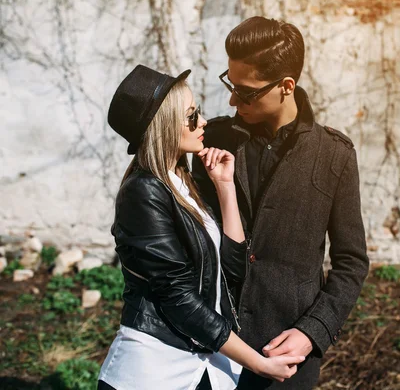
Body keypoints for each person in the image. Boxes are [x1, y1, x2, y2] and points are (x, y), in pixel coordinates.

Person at [97, 65, 304, 390]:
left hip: (200, 365)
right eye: (191, 115)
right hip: (155, 370)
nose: (203, 122)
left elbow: (233, 269)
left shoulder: (181, 182)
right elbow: (178, 298)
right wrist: (258, 363)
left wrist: (225, 187)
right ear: (164, 126)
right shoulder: (144, 192)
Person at [192, 17, 370, 389]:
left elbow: (351, 263)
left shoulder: (334, 155)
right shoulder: (214, 141)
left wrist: (313, 331)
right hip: (208, 348)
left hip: (286, 357)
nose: (232, 99)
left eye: (246, 91)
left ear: (286, 87)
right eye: (230, 84)